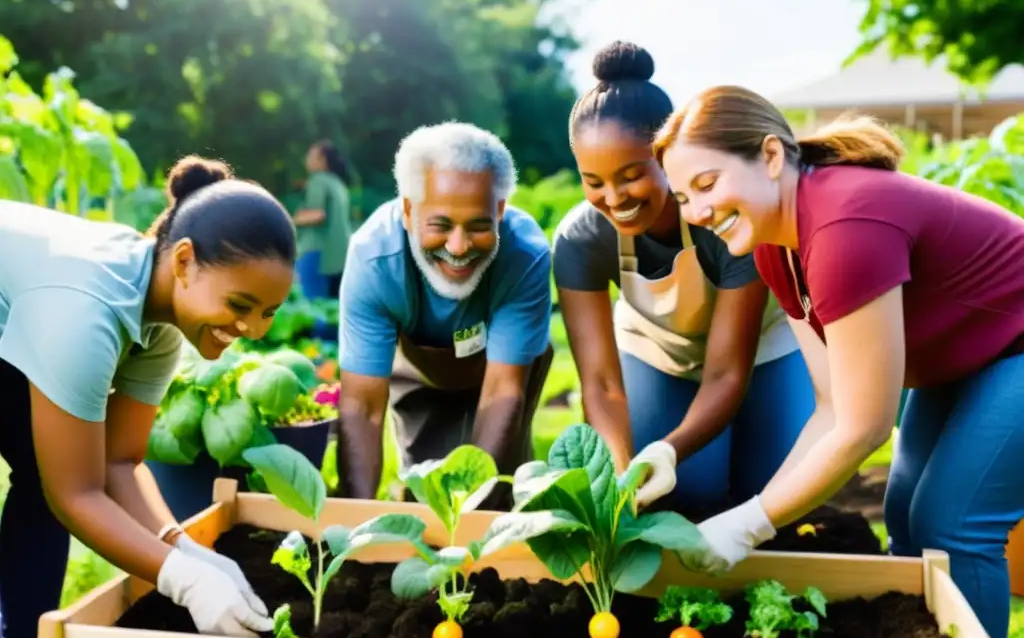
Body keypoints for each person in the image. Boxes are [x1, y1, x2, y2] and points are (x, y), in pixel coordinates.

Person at [653, 84, 1024, 638]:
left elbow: (865, 428)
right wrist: (755, 515)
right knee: (905, 516)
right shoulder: (776, 249)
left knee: (953, 524)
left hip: (1014, 349)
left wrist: (750, 521)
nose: (698, 211)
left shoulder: (845, 224)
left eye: (707, 184)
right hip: (971, 357)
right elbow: (831, 408)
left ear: (771, 157)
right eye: (683, 197)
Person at [0, 156, 296, 638]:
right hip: (43, 308)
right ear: (184, 261)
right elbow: (76, 495)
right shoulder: (85, 317)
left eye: (267, 312)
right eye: (240, 304)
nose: (253, 328)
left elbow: (119, 463)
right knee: (54, 478)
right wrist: (183, 579)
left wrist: (180, 546)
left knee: (40, 466)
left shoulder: (158, 325)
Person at [552, 41, 814, 513]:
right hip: (658, 350)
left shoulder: (720, 221)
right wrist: (619, 469)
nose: (614, 197)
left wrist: (671, 450)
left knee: (776, 494)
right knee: (686, 495)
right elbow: (600, 383)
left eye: (632, 174)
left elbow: (725, 372)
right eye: (594, 182)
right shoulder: (581, 240)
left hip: (759, 351)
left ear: (667, 158)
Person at [335, 121, 553, 506]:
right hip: (421, 372)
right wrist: (351, 526)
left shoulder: (525, 255)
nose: (458, 246)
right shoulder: (374, 259)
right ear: (407, 211)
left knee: (502, 497)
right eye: (440, 225)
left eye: (478, 226)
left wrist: (475, 519)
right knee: (429, 496)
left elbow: (504, 390)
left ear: (500, 210)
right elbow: (363, 407)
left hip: (499, 373)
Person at [292, 139, 354, 304]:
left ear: (322, 159)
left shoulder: (317, 180)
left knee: (314, 306)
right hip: (340, 254)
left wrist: (293, 219)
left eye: (311, 155)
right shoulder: (338, 184)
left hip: (315, 251)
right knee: (334, 308)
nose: (307, 159)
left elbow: (317, 215)